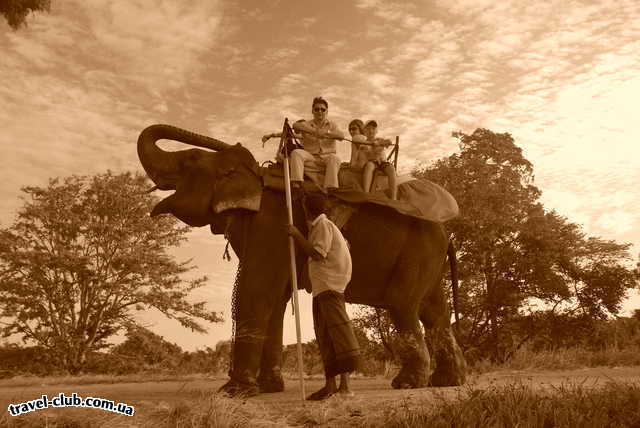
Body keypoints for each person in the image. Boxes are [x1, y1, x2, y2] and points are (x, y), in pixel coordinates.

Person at [287, 193, 361, 400]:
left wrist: (296, 235)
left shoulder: (323, 226)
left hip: (330, 287)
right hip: (323, 287)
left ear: (306, 209)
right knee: (325, 334)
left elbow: (318, 253)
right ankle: (330, 385)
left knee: (337, 333)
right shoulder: (321, 226)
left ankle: (345, 387)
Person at [290, 97, 345, 191]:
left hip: (326, 157)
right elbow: (295, 125)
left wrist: (326, 133)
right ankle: (296, 184)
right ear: (312, 111)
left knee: (334, 158)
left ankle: (329, 188)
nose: (320, 111)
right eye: (317, 109)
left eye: (323, 109)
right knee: (296, 152)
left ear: (326, 111)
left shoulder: (332, 125)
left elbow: (341, 136)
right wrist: (314, 131)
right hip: (310, 156)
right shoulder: (307, 123)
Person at [362, 120, 397, 200]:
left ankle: (393, 197)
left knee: (391, 169)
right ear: (364, 131)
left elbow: (389, 141)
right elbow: (365, 153)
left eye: (373, 129)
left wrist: (380, 143)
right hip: (373, 162)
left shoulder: (379, 139)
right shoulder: (364, 143)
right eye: (368, 129)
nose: (371, 131)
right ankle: (366, 193)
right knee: (369, 166)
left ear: (376, 130)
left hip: (383, 162)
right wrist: (367, 147)